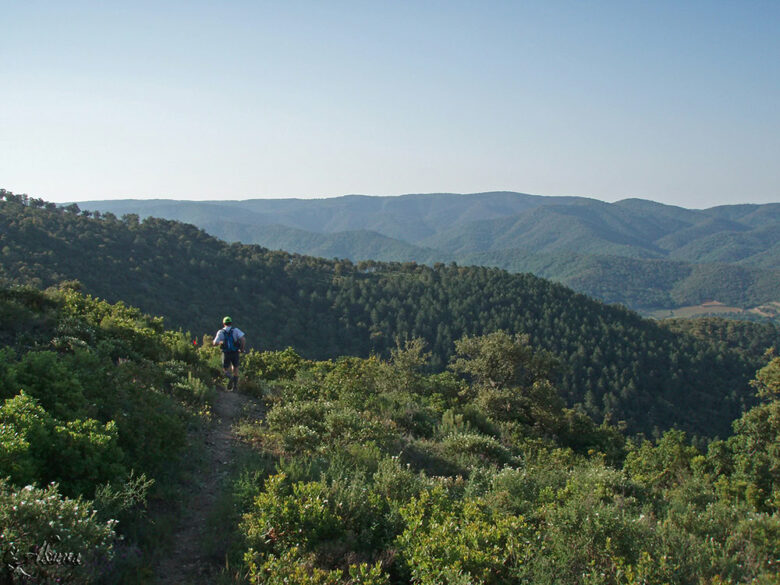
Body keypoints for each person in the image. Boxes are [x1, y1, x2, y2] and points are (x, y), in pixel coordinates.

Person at [213, 316, 246, 390]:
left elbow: (215, 343)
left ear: (223, 323)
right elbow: (243, 339)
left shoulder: (221, 332)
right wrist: (242, 349)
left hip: (226, 353)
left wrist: (220, 342)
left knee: (225, 369)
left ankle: (229, 377)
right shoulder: (236, 330)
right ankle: (235, 387)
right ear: (231, 323)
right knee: (235, 368)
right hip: (235, 352)